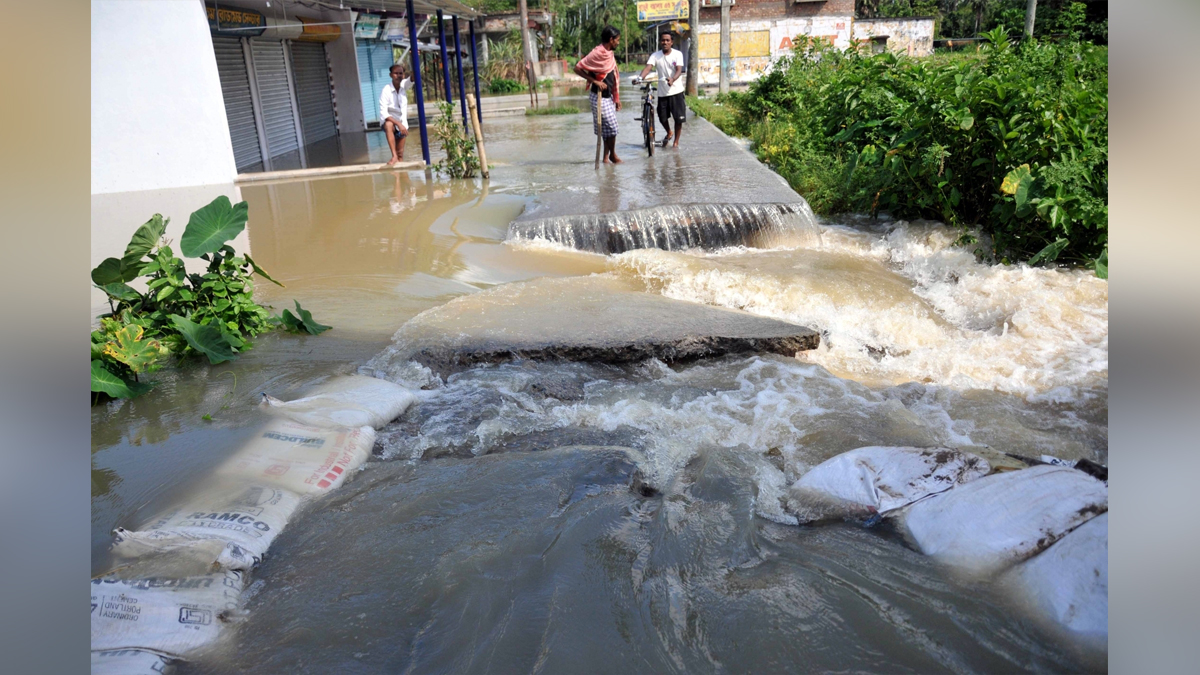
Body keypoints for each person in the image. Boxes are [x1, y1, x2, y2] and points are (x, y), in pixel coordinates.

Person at [574, 26, 622, 164]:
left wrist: (616, 98)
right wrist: (595, 81)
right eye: (617, 40)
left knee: (607, 129)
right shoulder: (597, 53)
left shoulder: (609, 53)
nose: (618, 43)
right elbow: (577, 68)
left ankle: (606, 158)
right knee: (612, 127)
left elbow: (613, 76)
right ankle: (612, 155)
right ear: (611, 39)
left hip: (608, 96)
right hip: (598, 96)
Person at [638, 31, 687, 148]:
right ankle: (669, 131)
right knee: (662, 117)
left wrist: (673, 79)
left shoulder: (677, 54)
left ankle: (676, 143)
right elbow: (648, 68)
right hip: (662, 93)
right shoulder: (655, 55)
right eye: (663, 40)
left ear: (671, 42)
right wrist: (640, 78)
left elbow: (679, 70)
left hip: (676, 91)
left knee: (678, 119)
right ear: (660, 42)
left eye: (667, 40)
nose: (665, 42)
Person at [379, 64, 413, 166]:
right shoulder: (386, 90)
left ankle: (400, 179)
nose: (398, 75)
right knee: (389, 124)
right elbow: (383, 112)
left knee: (401, 155)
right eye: (395, 73)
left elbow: (412, 78)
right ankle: (393, 156)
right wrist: (398, 123)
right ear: (390, 75)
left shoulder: (403, 86)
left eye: (400, 73)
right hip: (392, 123)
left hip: (402, 124)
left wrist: (415, 57)